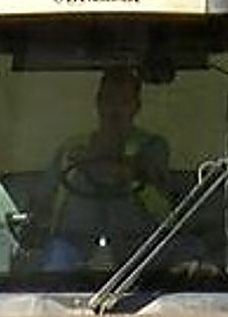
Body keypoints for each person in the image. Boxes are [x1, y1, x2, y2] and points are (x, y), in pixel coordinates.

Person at [30, 67, 174, 271]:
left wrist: (93, 159)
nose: (115, 109)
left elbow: (143, 174)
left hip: (140, 244)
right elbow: (43, 198)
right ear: (98, 103)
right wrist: (35, 221)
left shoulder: (152, 146)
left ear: (136, 106)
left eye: (124, 102)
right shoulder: (70, 148)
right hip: (73, 242)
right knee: (53, 269)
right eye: (108, 100)